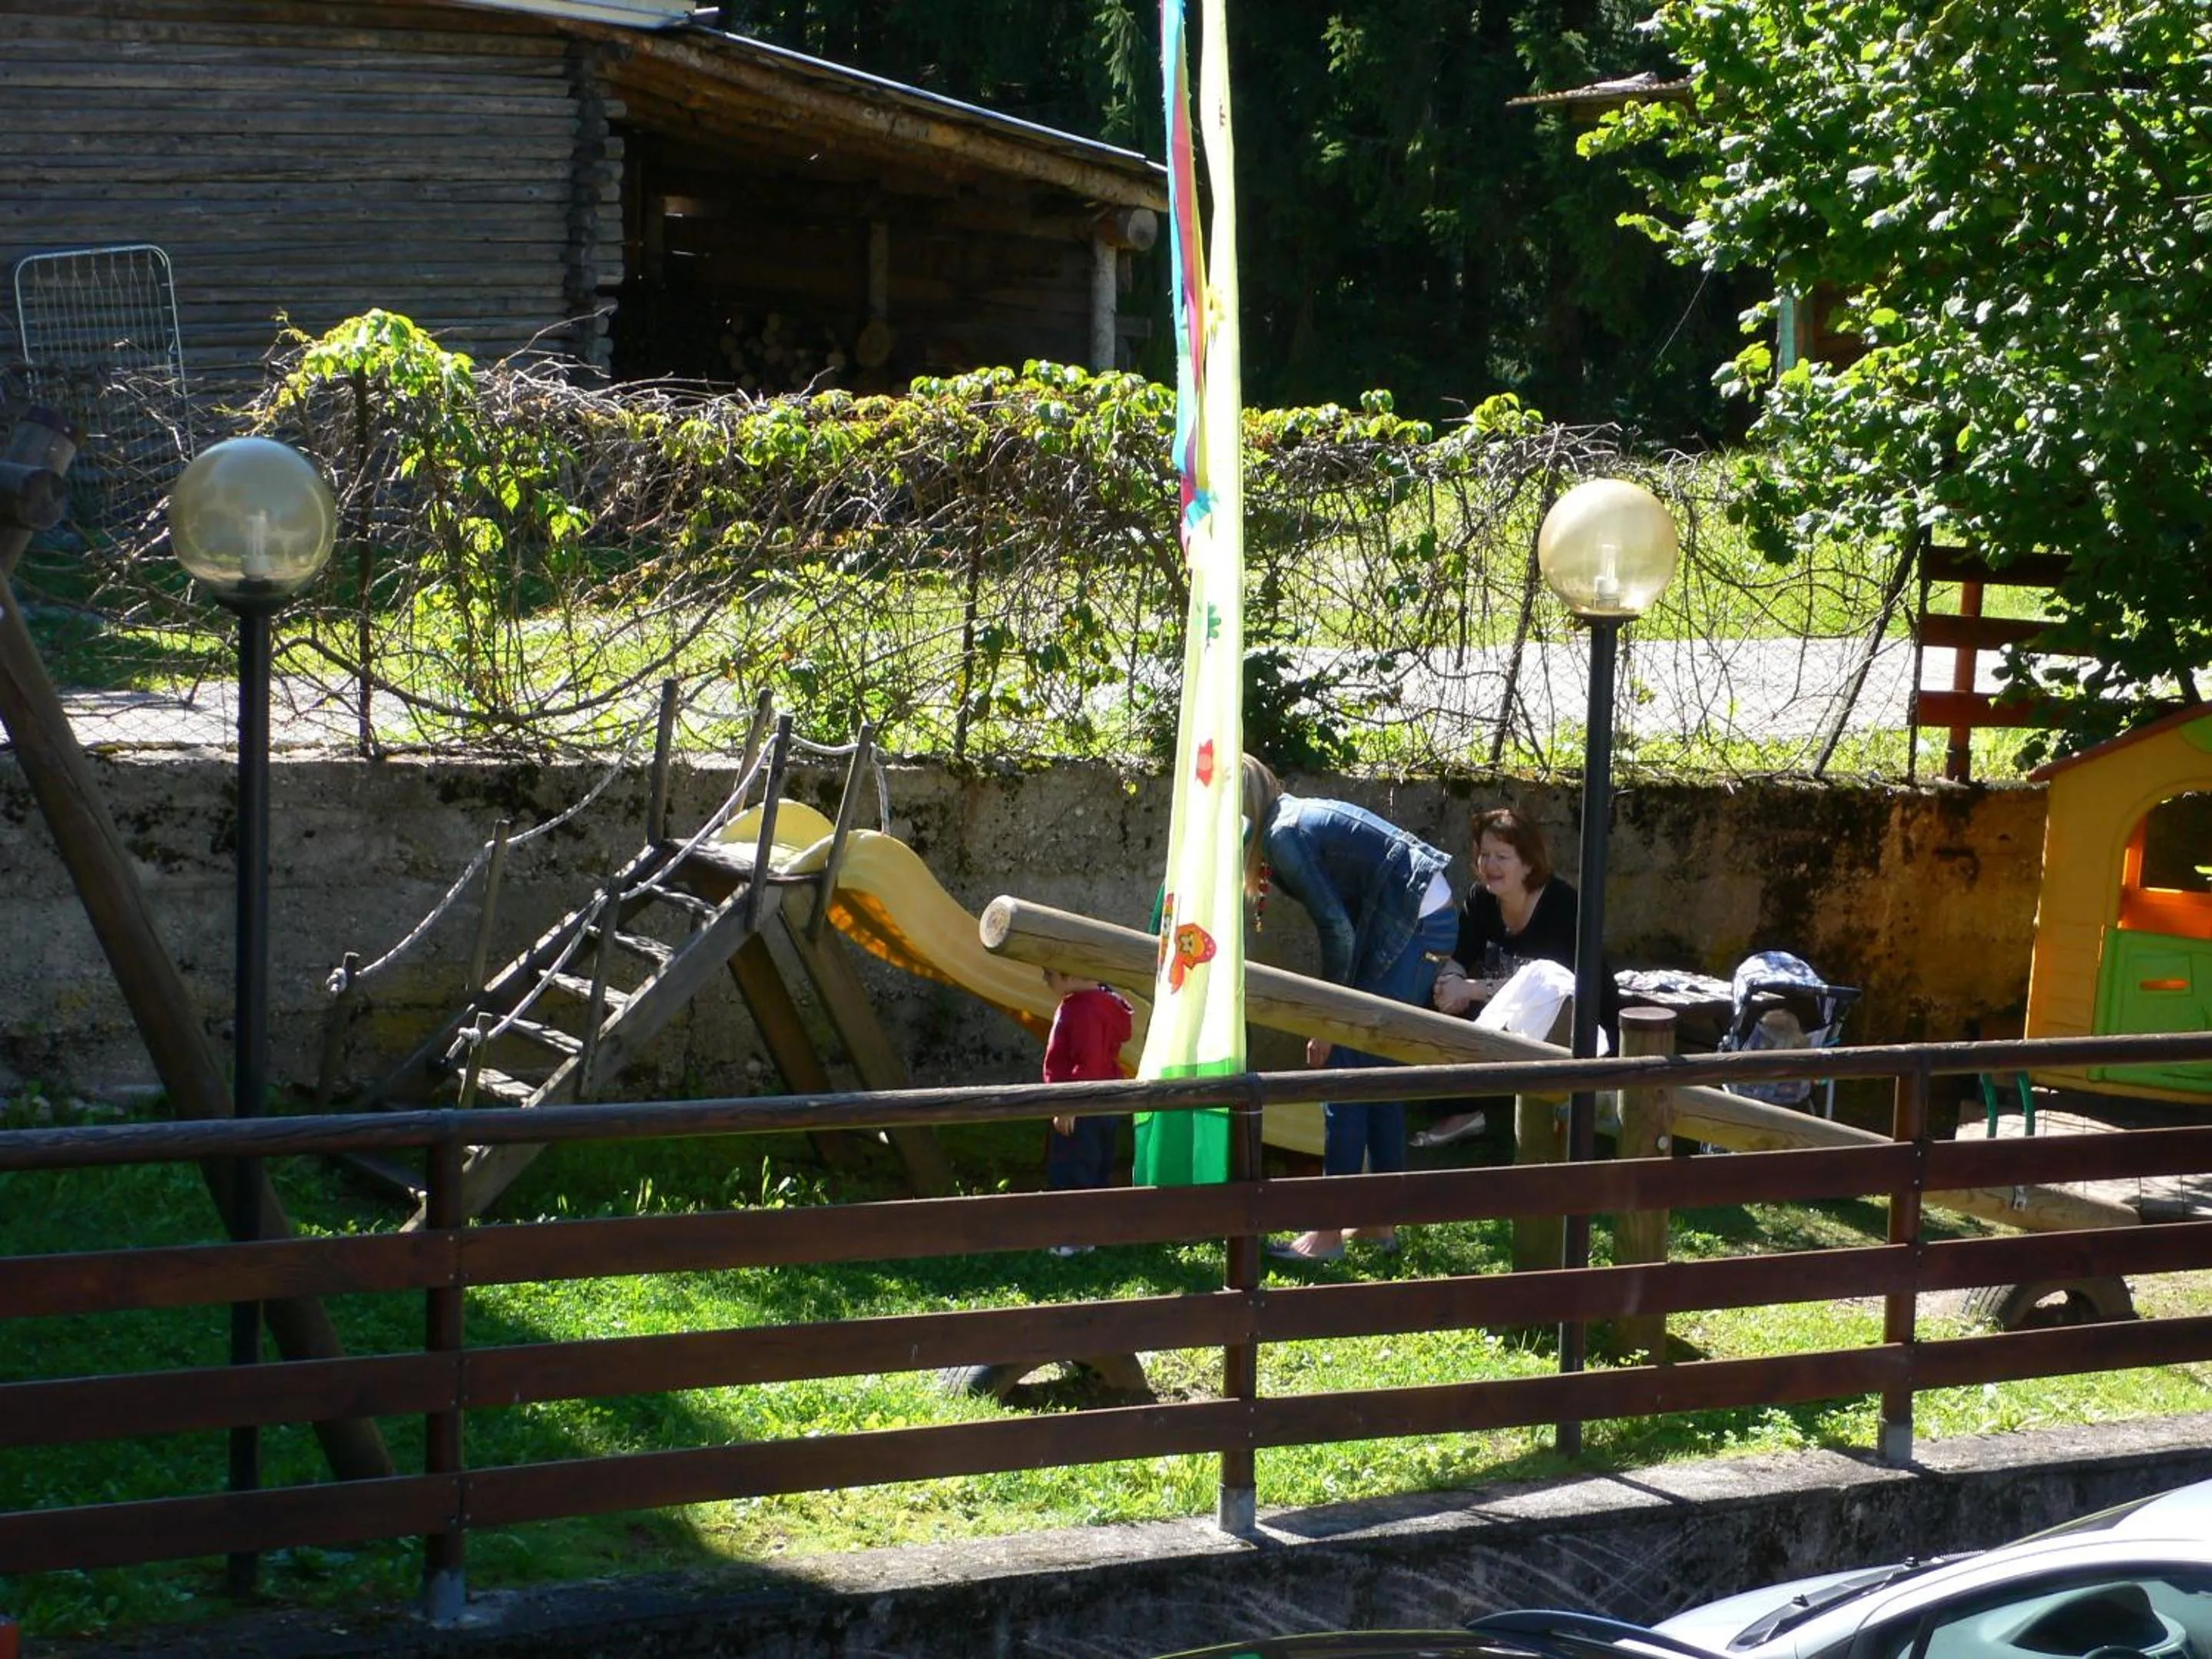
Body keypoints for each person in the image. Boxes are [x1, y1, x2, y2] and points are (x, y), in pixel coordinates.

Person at [1242, 755, 1458, 1263]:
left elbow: (1337, 930)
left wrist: (1328, 1020)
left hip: (1414, 921)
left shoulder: (1283, 837)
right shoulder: (1289, 819)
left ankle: (1328, 1232)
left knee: (1346, 1071)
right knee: (1376, 1070)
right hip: (1430, 915)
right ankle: (1379, 1222)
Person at [1416, 806, 1613, 1147]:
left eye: (1502, 857)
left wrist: (1472, 989)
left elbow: (1547, 989)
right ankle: (1465, 1111)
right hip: (1509, 1016)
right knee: (1431, 1004)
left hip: (1574, 1018)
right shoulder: (1482, 899)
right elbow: (1460, 954)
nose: (1489, 866)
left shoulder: (1562, 907)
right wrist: (1450, 982)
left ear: (1529, 863)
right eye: (1485, 855)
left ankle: (1516, 1117)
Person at [1040, 965, 1133, 1253]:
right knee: (1096, 1167)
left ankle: (1074, 1237)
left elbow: (1087, 1063)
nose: (1044, 979)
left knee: (1072, 1168)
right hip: (1104, 1102)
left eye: (1049, 973)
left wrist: (1070, 1105)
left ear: (1069, 974)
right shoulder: (1107, 1004)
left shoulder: (1080, 1009)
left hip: (1081, 1105)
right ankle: (1095, 1233)